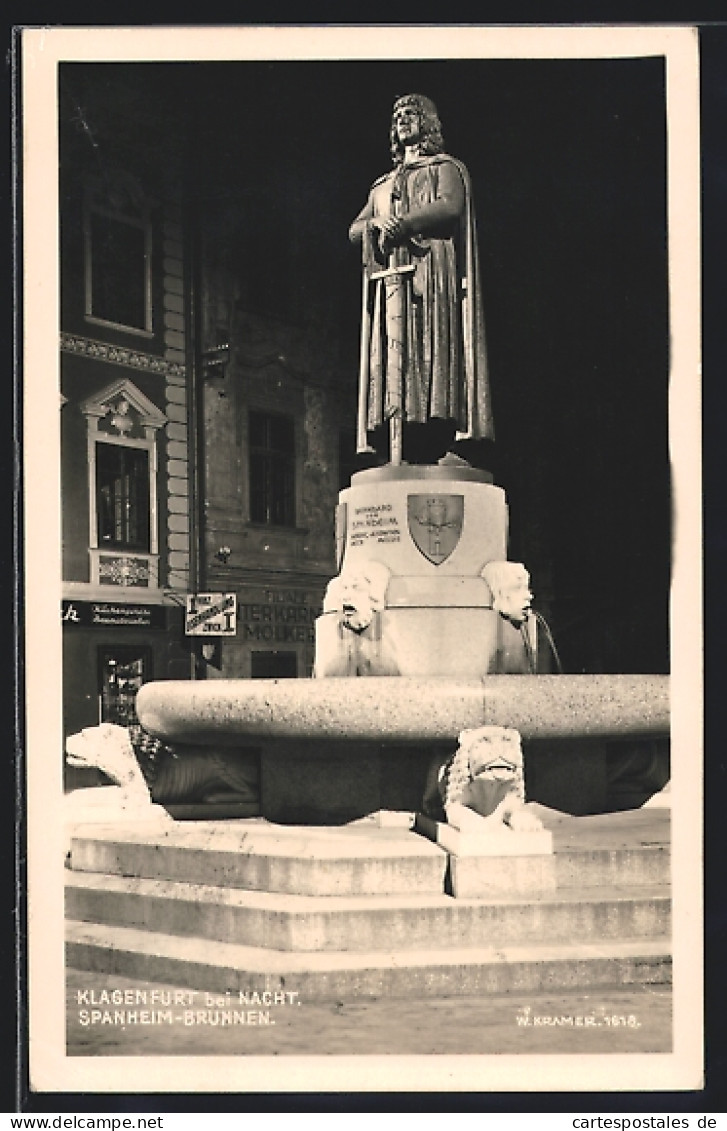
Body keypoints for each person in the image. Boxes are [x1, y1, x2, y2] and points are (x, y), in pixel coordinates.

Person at [349, 93, 494, 465]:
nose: (403, 119)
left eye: (412, 113)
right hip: (392, 280)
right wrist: (378, 224)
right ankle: (401, 441)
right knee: (397, 356)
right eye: (397, 114)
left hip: (433, 272)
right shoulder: (381, 185)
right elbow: (354, 229)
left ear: (428, 123)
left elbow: (450, 206)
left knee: (434, 350)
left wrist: (407, 223)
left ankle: (439, 436)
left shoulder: (445, 167)